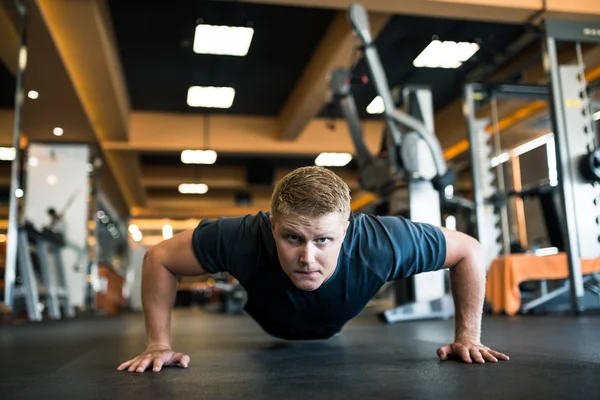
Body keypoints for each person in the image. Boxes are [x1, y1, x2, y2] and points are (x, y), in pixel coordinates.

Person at [117, 166, 509, 373]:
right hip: (274, 325)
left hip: (335, 323)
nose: (308, 257)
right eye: (292, 238)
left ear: (346, 229)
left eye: (323, 240)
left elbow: (469, 250)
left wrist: (467, 338)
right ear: (272, 225)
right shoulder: (239, 237)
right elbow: (159, 258)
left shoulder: (385, 242)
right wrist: (158, 345)